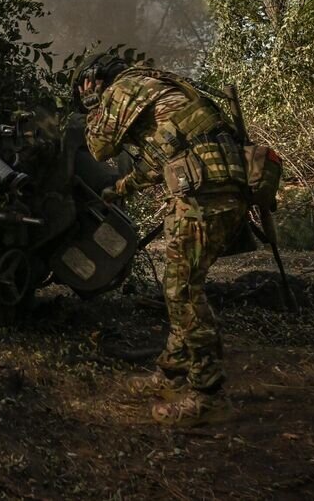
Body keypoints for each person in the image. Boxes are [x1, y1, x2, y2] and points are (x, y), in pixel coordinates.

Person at [78, 49, 249, 428]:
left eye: (88, 86)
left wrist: (92, 106)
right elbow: (159, 160)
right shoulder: (163, 87)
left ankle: (209, 396)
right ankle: (171, 375)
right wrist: (119, 189)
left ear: (98, 78)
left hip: (204, 193)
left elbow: (99, 146)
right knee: (181, 287)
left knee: (183, 292)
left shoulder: (125, 88)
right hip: (216, 188)